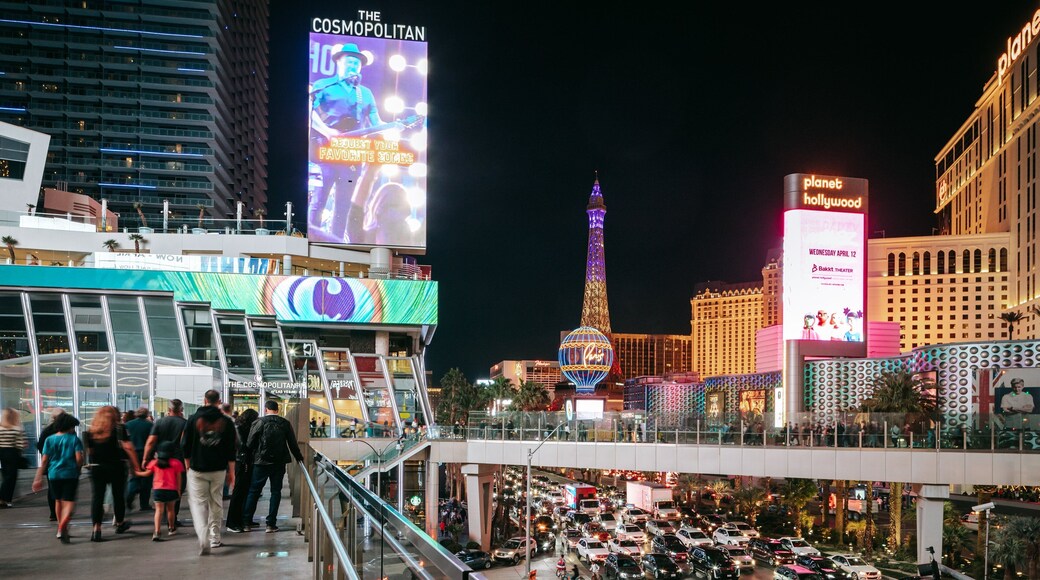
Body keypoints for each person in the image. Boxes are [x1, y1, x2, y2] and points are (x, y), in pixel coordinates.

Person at [182, 390, 237, 555]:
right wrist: (232, 472)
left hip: (197, 468)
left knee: (199, 504)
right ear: (219, 401)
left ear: (205, 400)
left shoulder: (193, 419)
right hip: (219, 469)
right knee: (216, 503)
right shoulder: (226, 421)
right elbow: (231, 449)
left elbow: (185, 445)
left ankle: (202, 537)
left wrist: (187, 465)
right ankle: (215, 538)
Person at [242, 400, 304, 533]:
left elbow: (250, 442)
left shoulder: (259, 422)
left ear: (266, 409)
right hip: (279, 463)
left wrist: (248, 458)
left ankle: (246, 522)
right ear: (277, 410)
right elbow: (292, 443)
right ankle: (271, 524)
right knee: (276, 492)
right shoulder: (285, 423)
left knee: (254, 491)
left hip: (260, 462)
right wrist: (299, 458)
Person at [83, 405, 141, 541]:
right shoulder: (119, 429)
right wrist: (136, 467)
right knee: (118, 496)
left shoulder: (90, 432)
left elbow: (89, 452)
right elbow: (129, 448)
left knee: (97, 498)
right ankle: (120, 523)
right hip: (116, 467)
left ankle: (96, 529)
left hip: (97, 468)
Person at [32, 412, 83, 544]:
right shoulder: (74, 439)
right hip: (70, 474)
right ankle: (63, 525)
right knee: (69, 502)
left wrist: (38, 477)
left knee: (58, 501)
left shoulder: (49, 440)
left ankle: (60, 529)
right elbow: (79, 459)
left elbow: (44, 461)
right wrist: (78, 468)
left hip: (53, 474)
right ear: (69, 426)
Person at [144, 399, 187, 522]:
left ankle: (162, 515)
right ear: (181, 410)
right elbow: (186, 444)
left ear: (168, 410)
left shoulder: (159, 422)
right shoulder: (185, 423)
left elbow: (151, 442)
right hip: (179, 461)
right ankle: (172, 517)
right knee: (178, 488)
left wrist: (145, 458)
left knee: (161, 485)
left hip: (161, 461)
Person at [135, 440, 185, 541]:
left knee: (159, 510)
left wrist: (137, 473)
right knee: (171, 510)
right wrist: (179, 490)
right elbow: (179, 478)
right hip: (171, 489)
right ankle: (171, 528)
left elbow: (146, 474)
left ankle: (157, 531)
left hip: (158, 490)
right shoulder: (176, 463)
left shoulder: (155, 463)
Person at [225, 408, 259, 533]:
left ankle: (239, 521)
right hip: (243, 462)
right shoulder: (244, 430)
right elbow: (246, 446)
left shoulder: (238, 427)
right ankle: (233, 523)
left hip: (241, 461)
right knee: (239, 492)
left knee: (241, 492)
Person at [37, 407, 67, 521]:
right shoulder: (68, 431)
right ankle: (63, 511)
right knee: (66, 488)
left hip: (51, 464)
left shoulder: (46, 431)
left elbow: (40, 446)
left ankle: (53, 513)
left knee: (52, 488)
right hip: (65, 463)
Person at [125, 406, 153, 511]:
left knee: (134, 476)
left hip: (132, 454)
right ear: (146, 414)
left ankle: (129, 496)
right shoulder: (150, 425)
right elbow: (152, 441)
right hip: (146, 454)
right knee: (147, 479)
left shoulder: (128, 425)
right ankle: (144, 504)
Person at [0, 407, 27, 507]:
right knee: (11, 477)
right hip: (13, 452)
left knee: (5, 475)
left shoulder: (0, 428)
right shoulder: (17, 428)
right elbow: (20, 444)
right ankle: (6, 499)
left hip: (2, 452)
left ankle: (3, 499)